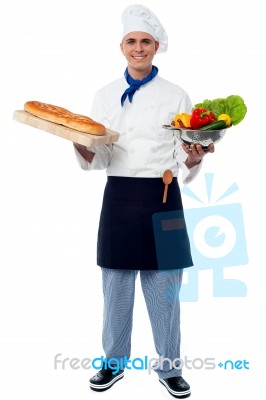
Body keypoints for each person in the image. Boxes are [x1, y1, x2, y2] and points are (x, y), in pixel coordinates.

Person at [74, 4, 214, 399]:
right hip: (119, 196)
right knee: (116, 286)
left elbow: (188, 149)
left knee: (166, 288)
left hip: (164, 197)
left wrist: (194, 156)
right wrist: (78, 142)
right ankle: (114, 362)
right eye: (132, 42)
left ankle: (170, 368)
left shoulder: (176, 94)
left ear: (156, 47)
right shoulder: (104, 95)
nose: (139, 48)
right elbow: (98, 156)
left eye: (146, 42)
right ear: (122, 47)